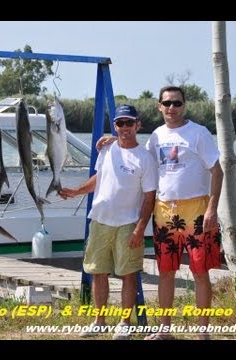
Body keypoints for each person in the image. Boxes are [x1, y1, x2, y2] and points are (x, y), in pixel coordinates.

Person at [97, 86, 224, 340]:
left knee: (200, 272)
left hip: (196, 210)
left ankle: (203, 332)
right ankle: (165, 329)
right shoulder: (155, 136)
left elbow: (217, 171)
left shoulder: (198, 133)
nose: (171, 108)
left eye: (177, 103)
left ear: (184, 105)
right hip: (164, 210)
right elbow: (140, 157)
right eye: (167, 103)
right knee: (166, 272)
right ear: (159, 106)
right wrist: (116, 140)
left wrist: (212, 208)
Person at [59, 104, 157, 340]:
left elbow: (149, 197)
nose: (125, 127)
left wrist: (140, 228)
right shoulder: (107, 149)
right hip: (100, 220)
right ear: (115, 125)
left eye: (129, 123)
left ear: (138, 125)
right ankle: (99, 321)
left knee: (128, 274)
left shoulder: (146, 158)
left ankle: (124, 323)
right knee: (98, 272)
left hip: (128, 224)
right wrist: (75, 192)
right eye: (120, 123)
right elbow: (98, 178)